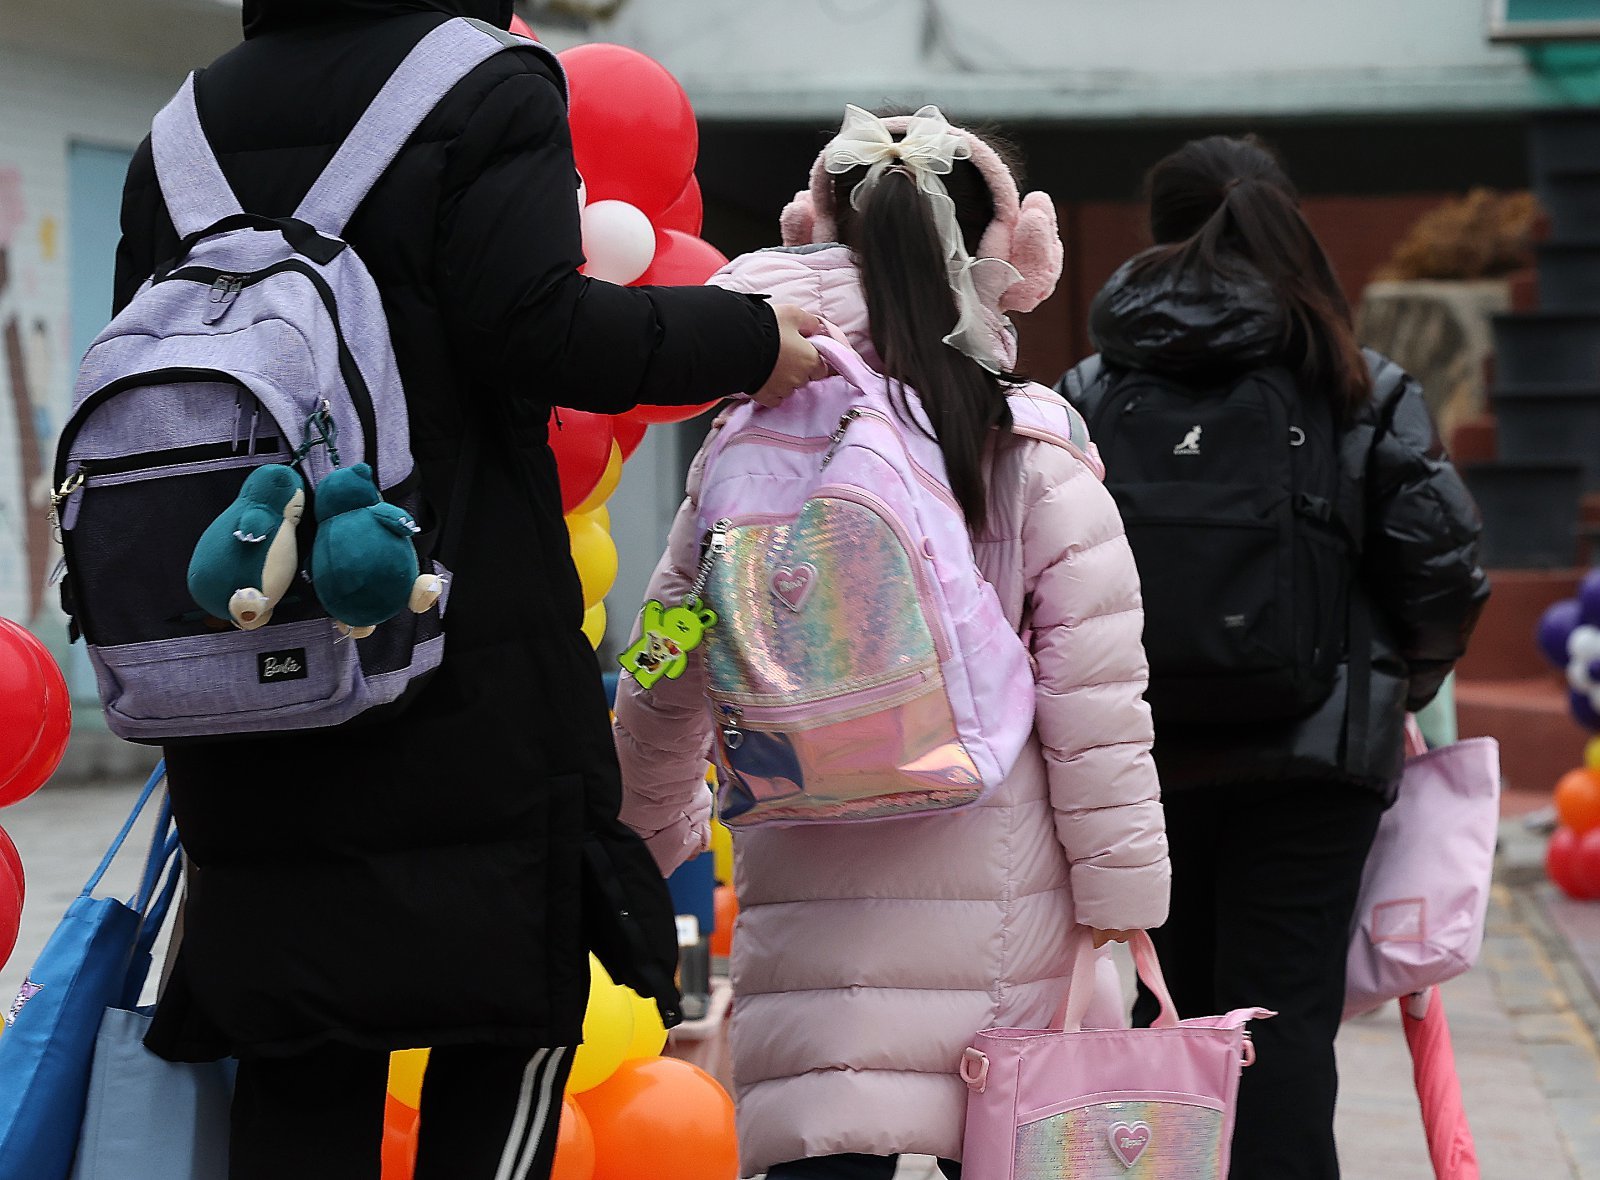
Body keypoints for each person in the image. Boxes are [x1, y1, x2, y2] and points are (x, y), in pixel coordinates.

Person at [109, 3, 825, 1178]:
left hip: (245, 672)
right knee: (508, 1024)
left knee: (299, 1045)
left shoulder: (184, 124)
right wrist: (743, 339)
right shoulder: (486, 85)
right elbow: (538, 327)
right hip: (458, 660)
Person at [612, 106, 1171, 1180]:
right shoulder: (1026, 447)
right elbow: (1096, 699)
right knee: (1003, 1143)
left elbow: (666, 648)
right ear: (1006, 258)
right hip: (1002, 894)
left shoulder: (746, 445)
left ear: (812, 234)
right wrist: (1122, 903)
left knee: (828, 1148)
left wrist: (642, 830)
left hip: (806, 883)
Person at [1057, 135, 1489, 1180]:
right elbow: (1441, 572)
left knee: (1177, 1017)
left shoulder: (1088, 386)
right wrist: (1389, 685)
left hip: (1143, 755)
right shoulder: (1354, 381)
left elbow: (1041, 574)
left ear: (1163, 231)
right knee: (1280, 1024)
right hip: (1313, 757)